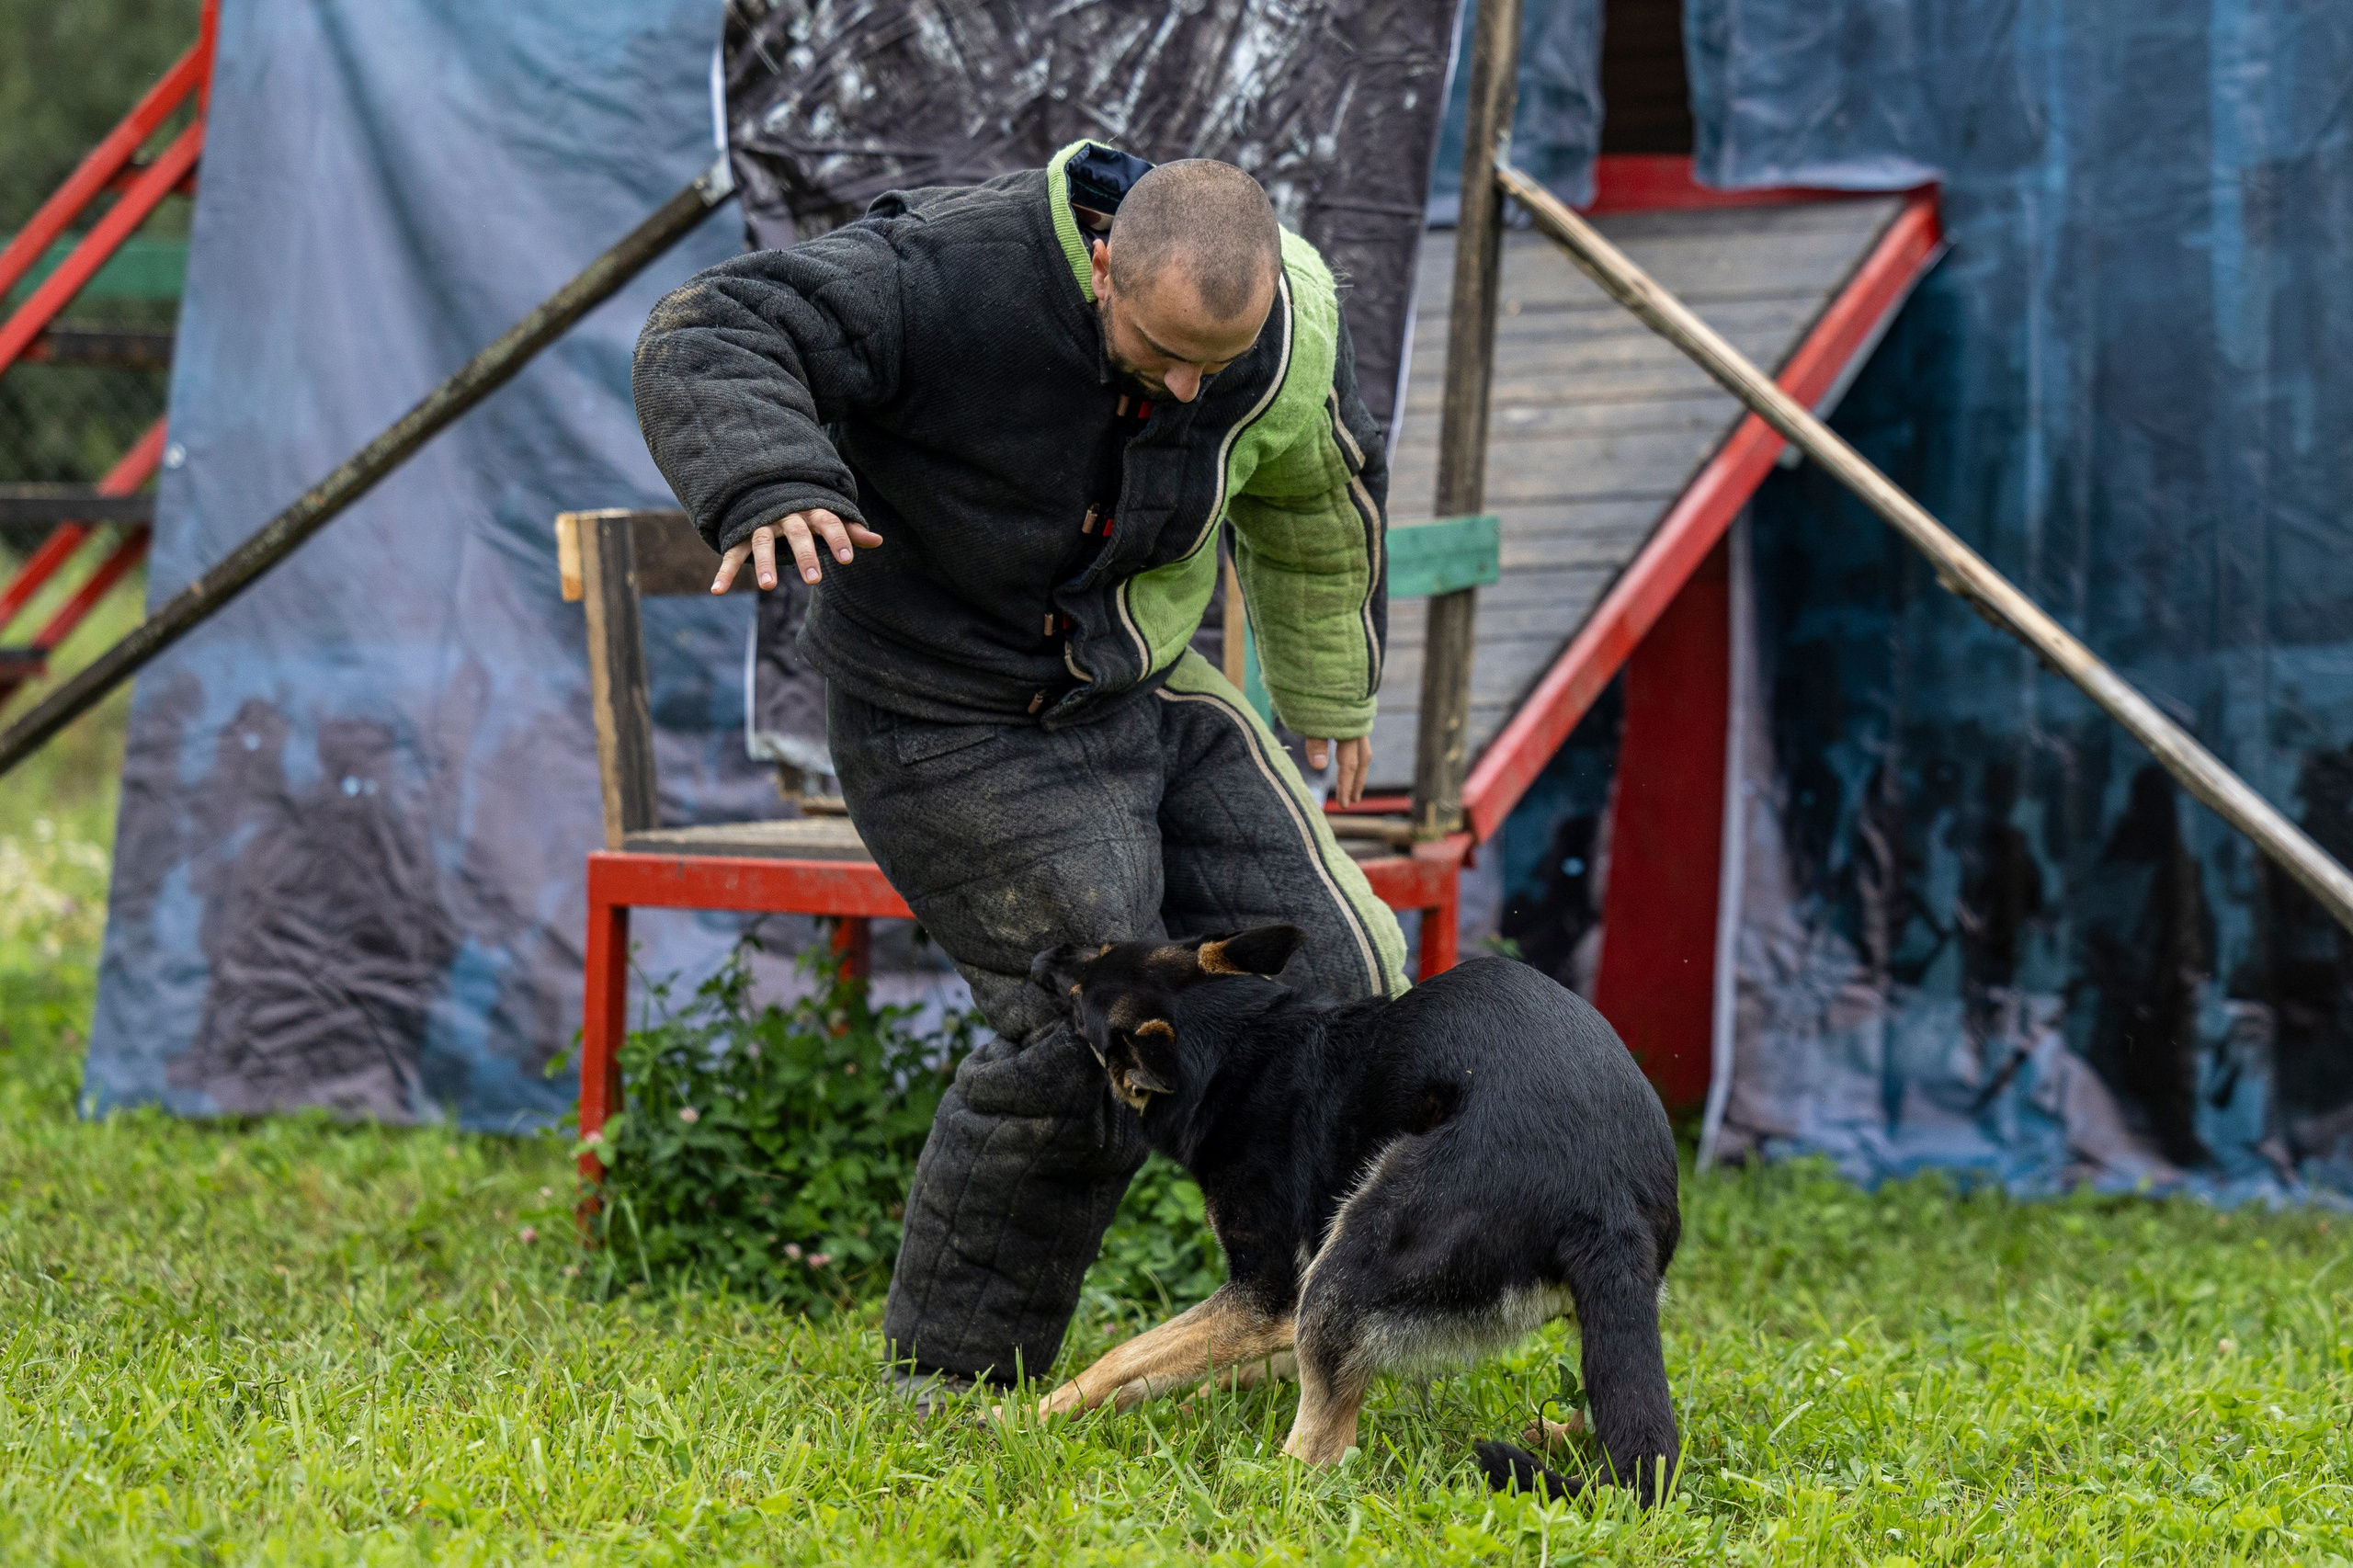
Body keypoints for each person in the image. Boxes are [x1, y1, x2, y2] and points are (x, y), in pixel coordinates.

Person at [631, 142, 1409, 1407]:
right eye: (1160, 352)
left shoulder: (1292, 325)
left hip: (1140, 684)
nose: (1187, 384)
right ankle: (954, 1375)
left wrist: (1327, 689)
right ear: (1104, 264)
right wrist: (770, 477)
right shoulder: (940, 270)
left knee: (1347, 977)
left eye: (1213, 363)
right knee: (1099, 1025)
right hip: (944, 711)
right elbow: (712, 328)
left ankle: (1326, 1306)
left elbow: (1316, 503)